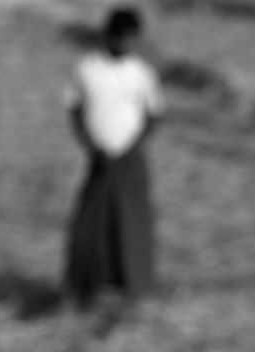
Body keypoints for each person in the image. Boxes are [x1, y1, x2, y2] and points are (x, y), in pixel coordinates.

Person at [64, 6, 162, 313]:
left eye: (132, 39)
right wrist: (91, 146)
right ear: (108, 36)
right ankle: (85, 287)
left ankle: (132, 288)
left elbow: (153, 116)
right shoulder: (87, 69)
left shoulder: (142, 73)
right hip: (99, 156)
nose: (126, 45)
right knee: (91, 224)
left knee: (131, 223)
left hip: (129, 158)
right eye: (121, 38)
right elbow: (75, 110)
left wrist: (131, 148)